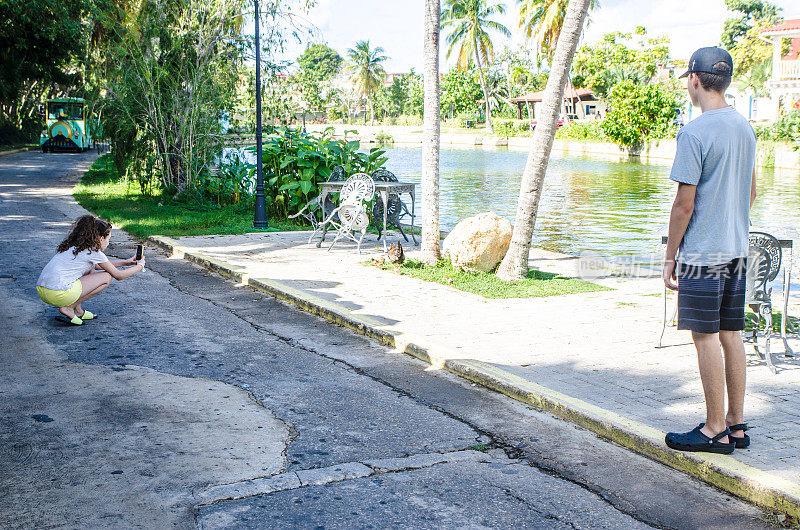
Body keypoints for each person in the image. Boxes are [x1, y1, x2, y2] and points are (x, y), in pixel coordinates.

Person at [662, 47, 757, 455]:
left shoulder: (694, 133)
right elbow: (751, 193)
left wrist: (671, 256)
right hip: (736, 250)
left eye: (687, 79)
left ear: (695, 80)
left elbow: (684, 205)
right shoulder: (745, 127)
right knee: (731, 335)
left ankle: (714, 428)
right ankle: (736, 425)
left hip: (703, 256)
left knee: (705, 339)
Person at [36, 215, 145, 325]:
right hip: (58, 294)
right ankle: (69, 308)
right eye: (108, 239)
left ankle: (78, 310)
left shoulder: (75, 247)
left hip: (43, 290)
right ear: (101, 238)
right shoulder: (93, 252)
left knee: (91, 267)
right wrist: (140, 266)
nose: (108, 243)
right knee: (106, 277)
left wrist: (126, 262)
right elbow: (119, 276)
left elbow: (99, 266)